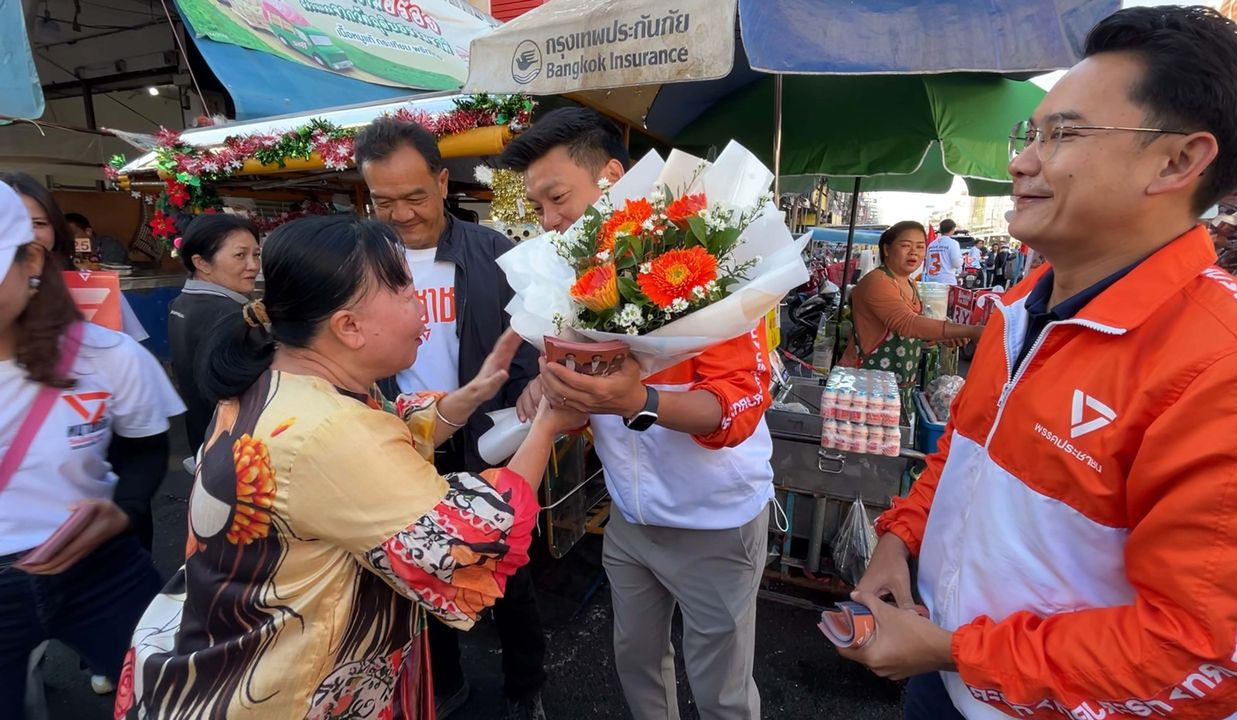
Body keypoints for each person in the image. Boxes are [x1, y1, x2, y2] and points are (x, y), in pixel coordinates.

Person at [841, 7, 1237, 719]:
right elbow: (962, 452)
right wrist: (899, 541)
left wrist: (960, 652)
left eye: (1063, 134)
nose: (1020, 160)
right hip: (942, 677)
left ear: (1178, 161)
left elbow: (1204, 653)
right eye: (1031, 132)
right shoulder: (1021, 306)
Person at [117, 216, 583, 720]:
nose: (419, 301)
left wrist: (463, 400)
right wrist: (548, 424)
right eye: (403, 288)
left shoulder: (278, 380)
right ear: (349, 327)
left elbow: (382, 425)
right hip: (292, 690)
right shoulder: (329, 430)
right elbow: (469, 540)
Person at [501, 106, 775, 720]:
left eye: (557, 198)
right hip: (629, 514)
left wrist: (641, 401)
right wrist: (549, 393)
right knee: (636, 662)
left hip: (715, 521)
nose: (549, 220)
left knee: (721, 688)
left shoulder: (701, 262)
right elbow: (579, 400)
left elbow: (734, 409)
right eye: (538, 208)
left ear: (613, 178)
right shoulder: (569, 281)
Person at [354, 117, 545, 720]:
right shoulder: (360, 259)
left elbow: (532, 344)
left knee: (510, 573)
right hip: (402, 442)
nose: (403, 214)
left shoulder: (494, 254)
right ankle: (447, 681)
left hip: (490, 439)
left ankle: (525, 687)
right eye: (385, 201)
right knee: (415, 579)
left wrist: (531, 404)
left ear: (442, 182)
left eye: (415, 196)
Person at [0, 180, 184, 716]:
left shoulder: (107, 355)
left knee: (173, 698)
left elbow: (146, 447)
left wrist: (123, 509)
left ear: (31, 258)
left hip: (100, 573)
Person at [836, 221, 983, 416]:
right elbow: (906, 323)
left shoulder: (910, 283)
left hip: (896, 386)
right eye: (905, 245)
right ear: (887, 249)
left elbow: (914, 329)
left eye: (920, 247)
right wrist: (971, 330)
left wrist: (940, 336)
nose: (914, 252)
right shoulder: (877, 281)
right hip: (865, 384)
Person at [0, 173, 148, 343]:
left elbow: (129, 354)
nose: (28, 234)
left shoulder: (96, 287)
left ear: (56, 228)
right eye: (12, 224)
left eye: (39, 223)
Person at [168, 213, 261, 462]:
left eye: (256, 254)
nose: (253, 265)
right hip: (235, 449)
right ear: (202, 263)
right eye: (240, 255)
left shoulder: (182, 303)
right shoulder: (231, 315)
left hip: (203, 437)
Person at [64, 212, 130, 265]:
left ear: (88, 232)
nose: (67, 238)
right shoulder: (62, 247)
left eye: (71, 233)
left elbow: (112, 272)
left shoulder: (109, 245)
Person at [922, 218, 963, 285]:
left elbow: (927, 264)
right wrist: (962, 260)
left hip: (931, 281)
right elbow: (956, 264)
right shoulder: (953, 243)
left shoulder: (931, 244)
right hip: (947, 281)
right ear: (952, 229)